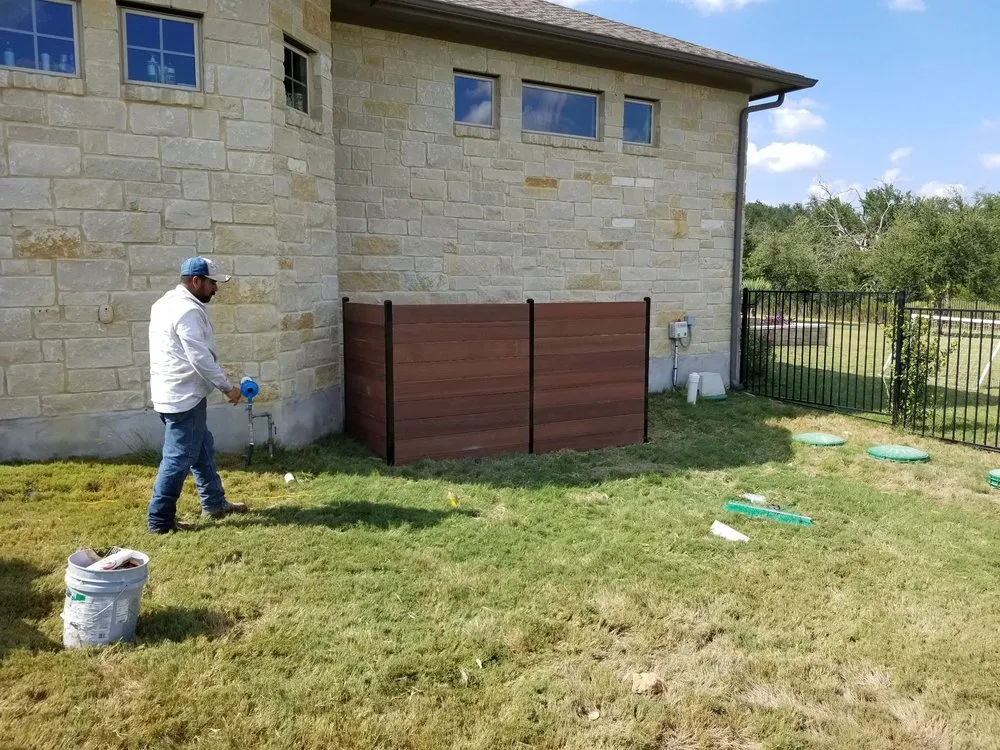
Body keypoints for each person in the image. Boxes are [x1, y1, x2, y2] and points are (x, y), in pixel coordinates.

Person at [146, 256, 249, 534]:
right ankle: (160, 521)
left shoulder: (165, 303)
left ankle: (214, 503)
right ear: (196, 281)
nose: (215, 289)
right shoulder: (186, 311)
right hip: (183, 397)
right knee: (177, 458)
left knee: (202, 446)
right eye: (212, 283)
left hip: (172, 393)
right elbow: (199, 357)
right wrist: (228, 387)